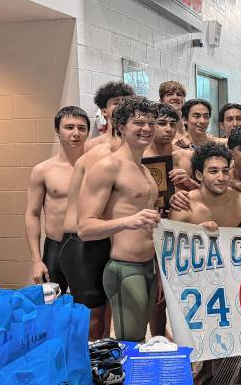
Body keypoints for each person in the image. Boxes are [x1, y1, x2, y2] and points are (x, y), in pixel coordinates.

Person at [168, 143, 241, 385]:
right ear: (199, 175)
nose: (221, 177)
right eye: (213, 171)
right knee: (195, 324)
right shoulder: (184, 204)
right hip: (198, 279)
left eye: (225, 171)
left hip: (235, 276)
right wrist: (197, 233)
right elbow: (173, 249)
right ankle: (203, 368)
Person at [78, 97, 161, 342]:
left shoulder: (144, 170)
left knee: (139, 339)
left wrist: (157, 268)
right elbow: (85, 227)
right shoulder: (108, 167)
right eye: (138, 122)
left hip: (148, 267)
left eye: (151, 123)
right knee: (130, 341)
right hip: (125, 268)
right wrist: (127, 221)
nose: (146, 128)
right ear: (122, 126)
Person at [60, 84, 126, 340]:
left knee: (107, 314)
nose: (122, 108)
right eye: (116, 103)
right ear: (104, 110)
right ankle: (85, 373)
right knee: (93, 319)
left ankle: (101, 369)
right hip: (81, 240)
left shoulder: (128, 151)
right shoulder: (97, 150)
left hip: (105, 239)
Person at [142, 103, 196, 337]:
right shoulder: (138, 157)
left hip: (182, 231)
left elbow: (208, 194)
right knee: (157, 297)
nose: (168, 129)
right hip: (149, 231)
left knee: (186, 291)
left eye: (173, 124)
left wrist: (190, 183)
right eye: (162, 123)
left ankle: (191, 345)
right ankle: (159, 341)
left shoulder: (186, 156)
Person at [25, 106, 90, 294]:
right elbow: (32, 214)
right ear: (57, 131)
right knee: (50, 305)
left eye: (81, 128)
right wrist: (36, 260)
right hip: (55, 247)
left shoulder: (96, 168)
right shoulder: (43, 170)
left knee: (90, 309)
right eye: (69, 127)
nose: (76, 133)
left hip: (87, 246)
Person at [85, 81, 134, 151]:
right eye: (117, 103)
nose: (123, 106)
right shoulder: (91, 146)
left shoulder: (138, 143)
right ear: (104, 111)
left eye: (126, 102)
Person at [159, 80, 191, 148]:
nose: (175, 98)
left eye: (179, 95)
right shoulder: (155, 122)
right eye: (170, 94)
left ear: (184, 100)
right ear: (161, 101)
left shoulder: (189, 122)